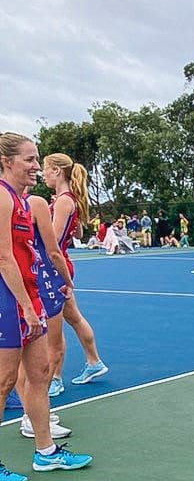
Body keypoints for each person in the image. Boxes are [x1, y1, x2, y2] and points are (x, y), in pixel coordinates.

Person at [0, 132, 92, 481]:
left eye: (38, 159)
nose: (36, 166)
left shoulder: (28, 201)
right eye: (29, 160)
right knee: (5, 381)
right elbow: (4, 257)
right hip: (9, 299)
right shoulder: (3, 198)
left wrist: (37, 300)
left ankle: (46, 452)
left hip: (29, 296)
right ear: (7, 161)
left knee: (39, 374)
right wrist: (25, 306)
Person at [42, 152, 109, 390]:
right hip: (61, 265)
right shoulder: (68, 200)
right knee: (73, 317)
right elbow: (79, 233)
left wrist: (42, 217)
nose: (43, 174)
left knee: (55, 326)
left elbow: (53, 239)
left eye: (46, 169)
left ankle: (55, 378)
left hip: (55, 268)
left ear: (57, 171)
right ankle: (94, 361)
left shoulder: (63, 201)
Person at [15, 189, 75, 439]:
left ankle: (33, 413)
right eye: (30, 160)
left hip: (23, 281)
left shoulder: (13, 202)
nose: (36, 169)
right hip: (43, 280)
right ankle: (32, 415)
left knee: (22, 355)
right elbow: (53, 250)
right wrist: (67, 279)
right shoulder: (35, 203)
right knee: (52, 350)